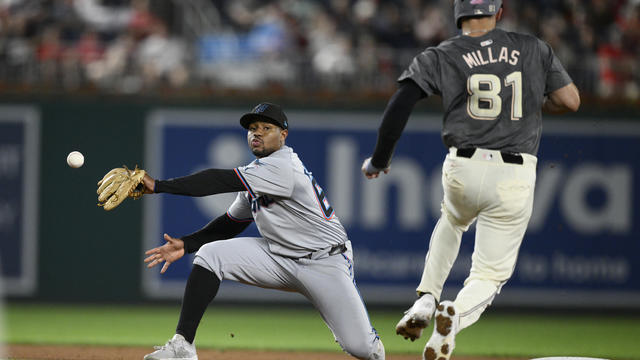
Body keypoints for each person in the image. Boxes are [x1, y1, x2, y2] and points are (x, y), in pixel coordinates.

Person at [360, 1, 580, 360]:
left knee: (452, 220)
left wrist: (379, 159)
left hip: (463, 165)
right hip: (514, 171)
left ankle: (426, 300)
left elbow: (401, 102)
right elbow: (570, 101)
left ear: (458, 13)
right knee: (489, 274)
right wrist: (529, 100)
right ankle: (455, 314)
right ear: (499, 10)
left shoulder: (443, 53)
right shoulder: (533, 48)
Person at [141, 102, 385, 360]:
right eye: (252, 128)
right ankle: (183, 346)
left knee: (362, 348)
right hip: (278, 258)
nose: (256, 133)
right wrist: (188, 244)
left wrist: (158, 185)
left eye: (266, 128)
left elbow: (217, 180)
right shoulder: (257, 173)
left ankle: (375, 347)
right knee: (210, 255)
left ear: (283, 135)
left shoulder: (282, 166)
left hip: (325, 261)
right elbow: (233, 222)